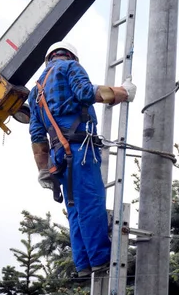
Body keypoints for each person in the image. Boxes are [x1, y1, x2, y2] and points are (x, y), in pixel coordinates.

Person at [28, 41, 136, 278]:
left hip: (59, 157)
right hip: (79, 150)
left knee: (75, 208)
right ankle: (100, 258)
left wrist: (43, 170)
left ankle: (84, 264)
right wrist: (123, 93)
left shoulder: (36, 91)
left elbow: (37, 137)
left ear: (48, 58)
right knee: (90, 202)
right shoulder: (69, 68)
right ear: (71, 57)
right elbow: (88, 93)